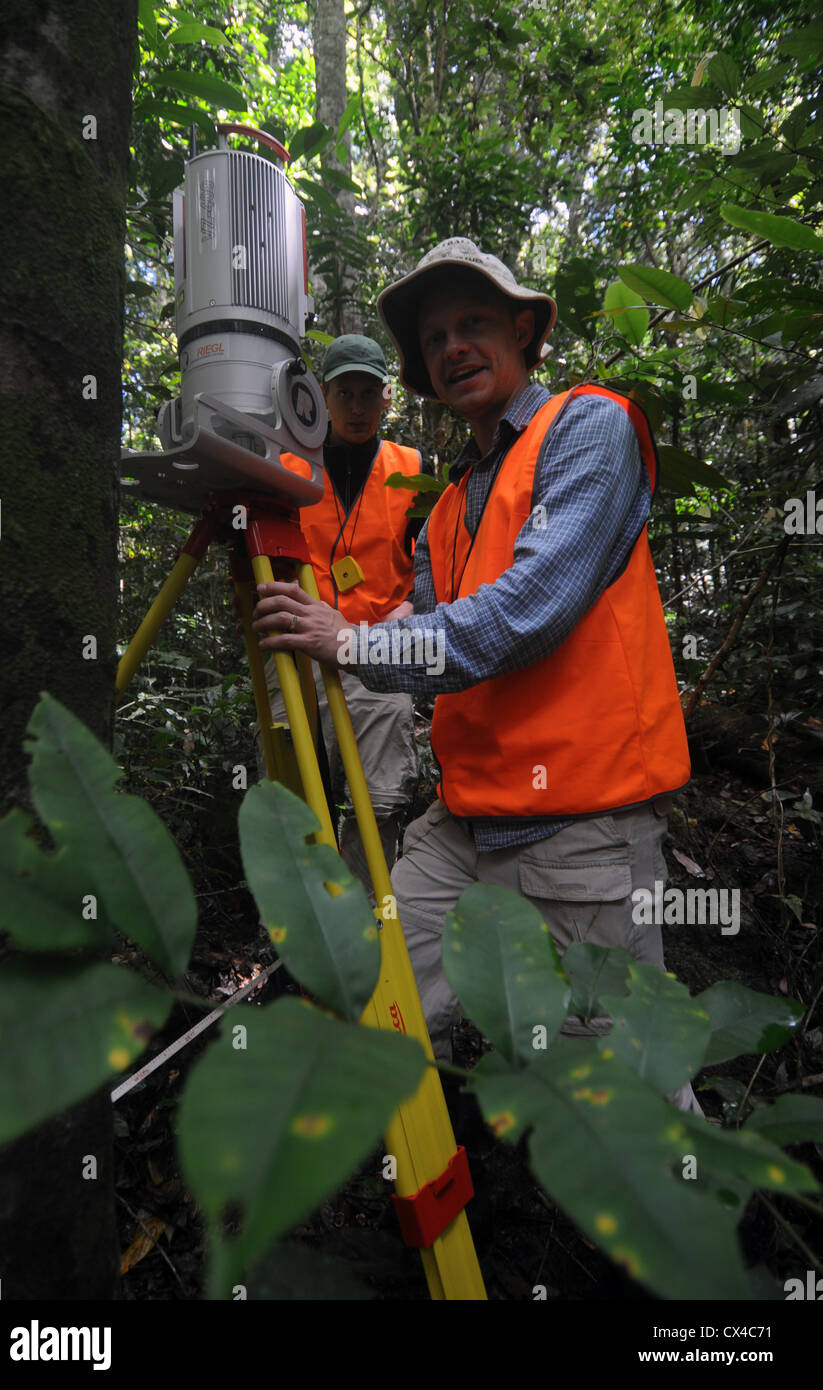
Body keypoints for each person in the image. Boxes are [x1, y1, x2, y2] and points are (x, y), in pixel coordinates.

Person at [253, 240, 697, 1110]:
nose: (452, 347)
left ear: (524, 331)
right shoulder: (451, 503)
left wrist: (350, 644)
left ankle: (713, 1227)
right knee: (377, 997)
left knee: (623, 1097)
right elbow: (426, 639)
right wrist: (351, 630)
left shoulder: (588, 428)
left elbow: (530, 607)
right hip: (464, 827)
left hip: (582, 835)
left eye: (475, 324)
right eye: (435, 337)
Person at [266, 334, 422, 889]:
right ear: (322, 398)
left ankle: (369, 925)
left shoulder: (413, 469)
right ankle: (300, 935)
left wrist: (408, 612)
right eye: (344, 393)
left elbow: (434, 567)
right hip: (296, 644)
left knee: (375, 804)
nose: (357, 407)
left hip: (378, 653)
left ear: (386, 398)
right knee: (293, 799)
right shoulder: (287, 467)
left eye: (369, 393)